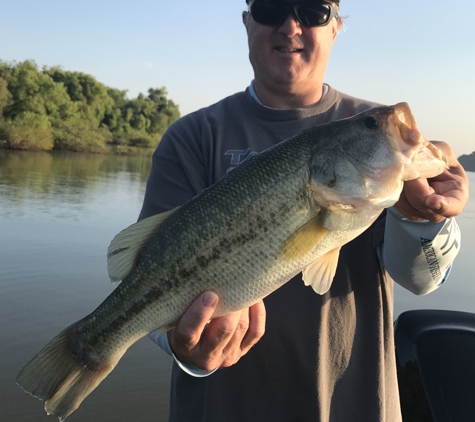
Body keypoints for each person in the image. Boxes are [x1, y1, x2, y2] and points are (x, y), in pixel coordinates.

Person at [139, 1, 469, 421]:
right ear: (246, 22)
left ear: (336, 29)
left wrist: (426, 217)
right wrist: (186, 348)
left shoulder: (371, 130)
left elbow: (421, 280)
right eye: (271, 7)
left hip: (354, 404)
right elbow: (148, 289)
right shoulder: (192, 137)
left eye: (314, 11)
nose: (290, 25)